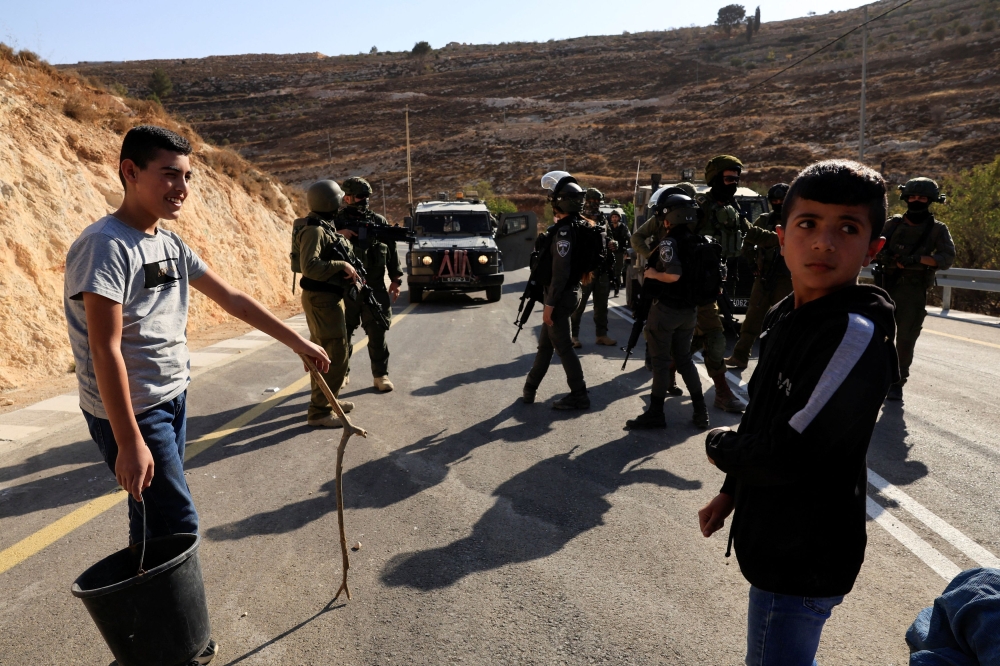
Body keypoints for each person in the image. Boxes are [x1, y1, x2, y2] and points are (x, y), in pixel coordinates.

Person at [64, 126, 331, 666]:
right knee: (179, 522)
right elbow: (104, 350)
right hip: (133, 410)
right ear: (129, 171)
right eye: (168, 174)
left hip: (171, 397)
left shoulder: (167, 241)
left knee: (152, 518)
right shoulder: (104, 246)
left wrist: (298, 340)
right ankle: (182, 644)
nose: (180, 187)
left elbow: (232, 297)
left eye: (187, 176)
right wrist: (128, 439)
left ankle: (147, 638)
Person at [697, 160, 898, 666]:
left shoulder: (850, 333)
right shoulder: (789, 313)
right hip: (776, 539)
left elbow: (786, 453)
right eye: (808, 224)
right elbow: (767, 415)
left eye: (847, 228)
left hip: (804, 556)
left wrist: (717, 447)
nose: (824, 243)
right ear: (781, 237)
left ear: (873, 247)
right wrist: (730, 493)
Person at [625, 191, 712, 429]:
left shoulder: (668, 242)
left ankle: (655, 413)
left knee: (661, 362)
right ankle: (700, 410)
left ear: (669, 219)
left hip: (666, 311)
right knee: (684, 360)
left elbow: (673, 274)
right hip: (689, 312)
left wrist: (653, 274)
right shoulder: (699, 241)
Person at [874, 177, 955, 401]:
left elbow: (946, 258)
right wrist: (886, 255)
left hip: (913, 289)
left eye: (922, 198)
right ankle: (875, 376)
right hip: (885, 285)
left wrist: (918, 259)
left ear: (931, 201)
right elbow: (872, 247)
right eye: (912, 197)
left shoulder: (938, 230)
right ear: (905, 197)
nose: (916, 201)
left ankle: (897, 382)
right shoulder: (893, 224)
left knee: (906, 338)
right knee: (878, 334)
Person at [522, 172, 597, 410]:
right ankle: (529, 389)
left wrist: (550, 305)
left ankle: (579, 394)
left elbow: (561, 273)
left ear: (560, 202)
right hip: (569, 294)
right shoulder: (578, 226)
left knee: (563, 347)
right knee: (546, 345)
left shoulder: (564, 232)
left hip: (560, 296)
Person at [293, 180, 360, 428]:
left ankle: (328, 401)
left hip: (327, 299)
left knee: (323, 352)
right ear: (330, 203)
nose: (343, 203)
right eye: (339, 200)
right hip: (321, 300)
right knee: (335, 353)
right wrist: (341, 265)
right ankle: (319, 411)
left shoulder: (323, 227)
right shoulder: (315, 231)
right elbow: (309, 267)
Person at [335, 177, 404, 393]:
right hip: (345, 287)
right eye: (359, 196)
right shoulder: (336, 222)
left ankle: (380, 375)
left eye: (367, 196)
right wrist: (339, 236)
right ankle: (342, 373)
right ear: (347, 198)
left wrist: (395, 280)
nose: (364, 200)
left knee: (377, 332)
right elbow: (321, 246)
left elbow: (391, 252)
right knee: (343, 333)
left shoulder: (378, 221)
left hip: (374, 286)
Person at [694, 156, 749, 413]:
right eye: (729, 179)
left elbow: (749, 231)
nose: (733, 184)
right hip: (699, 283)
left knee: (696, 337)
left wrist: (784, 239)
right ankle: (723, 393)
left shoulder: (732, 206)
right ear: (715, 178)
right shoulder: (699, 207)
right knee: (715, 336)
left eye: (737, 179)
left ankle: (670, 367)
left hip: (722, 280)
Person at [726, 183, 793, 370]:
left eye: (781, 201)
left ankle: (783, 362)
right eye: (774, 201)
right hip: (764, 277)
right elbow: (747, 241)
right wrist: (752, 263)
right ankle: (740, 356)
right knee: (752, 318)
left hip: (788, 280)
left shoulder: (796, 222)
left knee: (784, 320)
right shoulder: (764, 220)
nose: (778, 204)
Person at [570, 188, 617, 348]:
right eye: (591, 201)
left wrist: (613, 244)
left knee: (602, 305)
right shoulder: (577, 219)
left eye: (597, 202)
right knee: (579, 305)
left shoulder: (603, 219)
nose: (594, 204)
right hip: (585, 270)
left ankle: (601, 335)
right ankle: (573, 336)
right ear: (585, 201)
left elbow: (609, 237)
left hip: (602, 269)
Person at [608, 210, 631, 298]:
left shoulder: (623, 227)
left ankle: (616, 289)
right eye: (613, 217)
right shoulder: (608, 227)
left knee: (618, 271)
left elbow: (629, 238)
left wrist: (627, 251)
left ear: (619, 218)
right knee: (609, 270)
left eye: (616, 217)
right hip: (610, 252)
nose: (614, 218)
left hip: (620, 252)